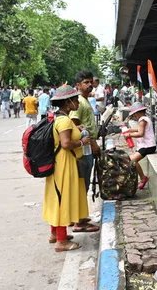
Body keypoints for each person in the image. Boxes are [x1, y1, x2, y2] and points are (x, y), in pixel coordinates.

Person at [43, 84, 94, 252]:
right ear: (69, 102)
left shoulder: (58, 118)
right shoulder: (64, 120)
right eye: (76, 101)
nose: (78, 104)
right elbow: (65, 144)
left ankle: (54, 234)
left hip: (59, 164)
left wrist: (76, 129)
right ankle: (61, 241)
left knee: (56, 198)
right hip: (64, 164)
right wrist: (81, 142)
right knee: (62, 200)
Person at [69, 71, 100, 229]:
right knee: (83, 183)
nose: (89, 85)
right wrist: (92, 143)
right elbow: (74, 124)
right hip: (84, 148)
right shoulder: (79, 102)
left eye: (90, 82)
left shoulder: (86, 100)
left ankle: (78, 216)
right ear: (78, 85)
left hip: (87, 146)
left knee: (84, 182)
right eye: (85, 82)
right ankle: (79, 221)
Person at [123, 102, 156, 190]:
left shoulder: (142, 120)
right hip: (146, 146)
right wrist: (130, 130)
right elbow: (139, 129)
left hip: (147, 147)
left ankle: (142, 178)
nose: (135, 117)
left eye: (134, 115)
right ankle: (140, 178)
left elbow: (141, 133)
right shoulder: (144, 119)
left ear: (138, 113)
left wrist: (129, 135)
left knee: (133, 160)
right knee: (130, 159)